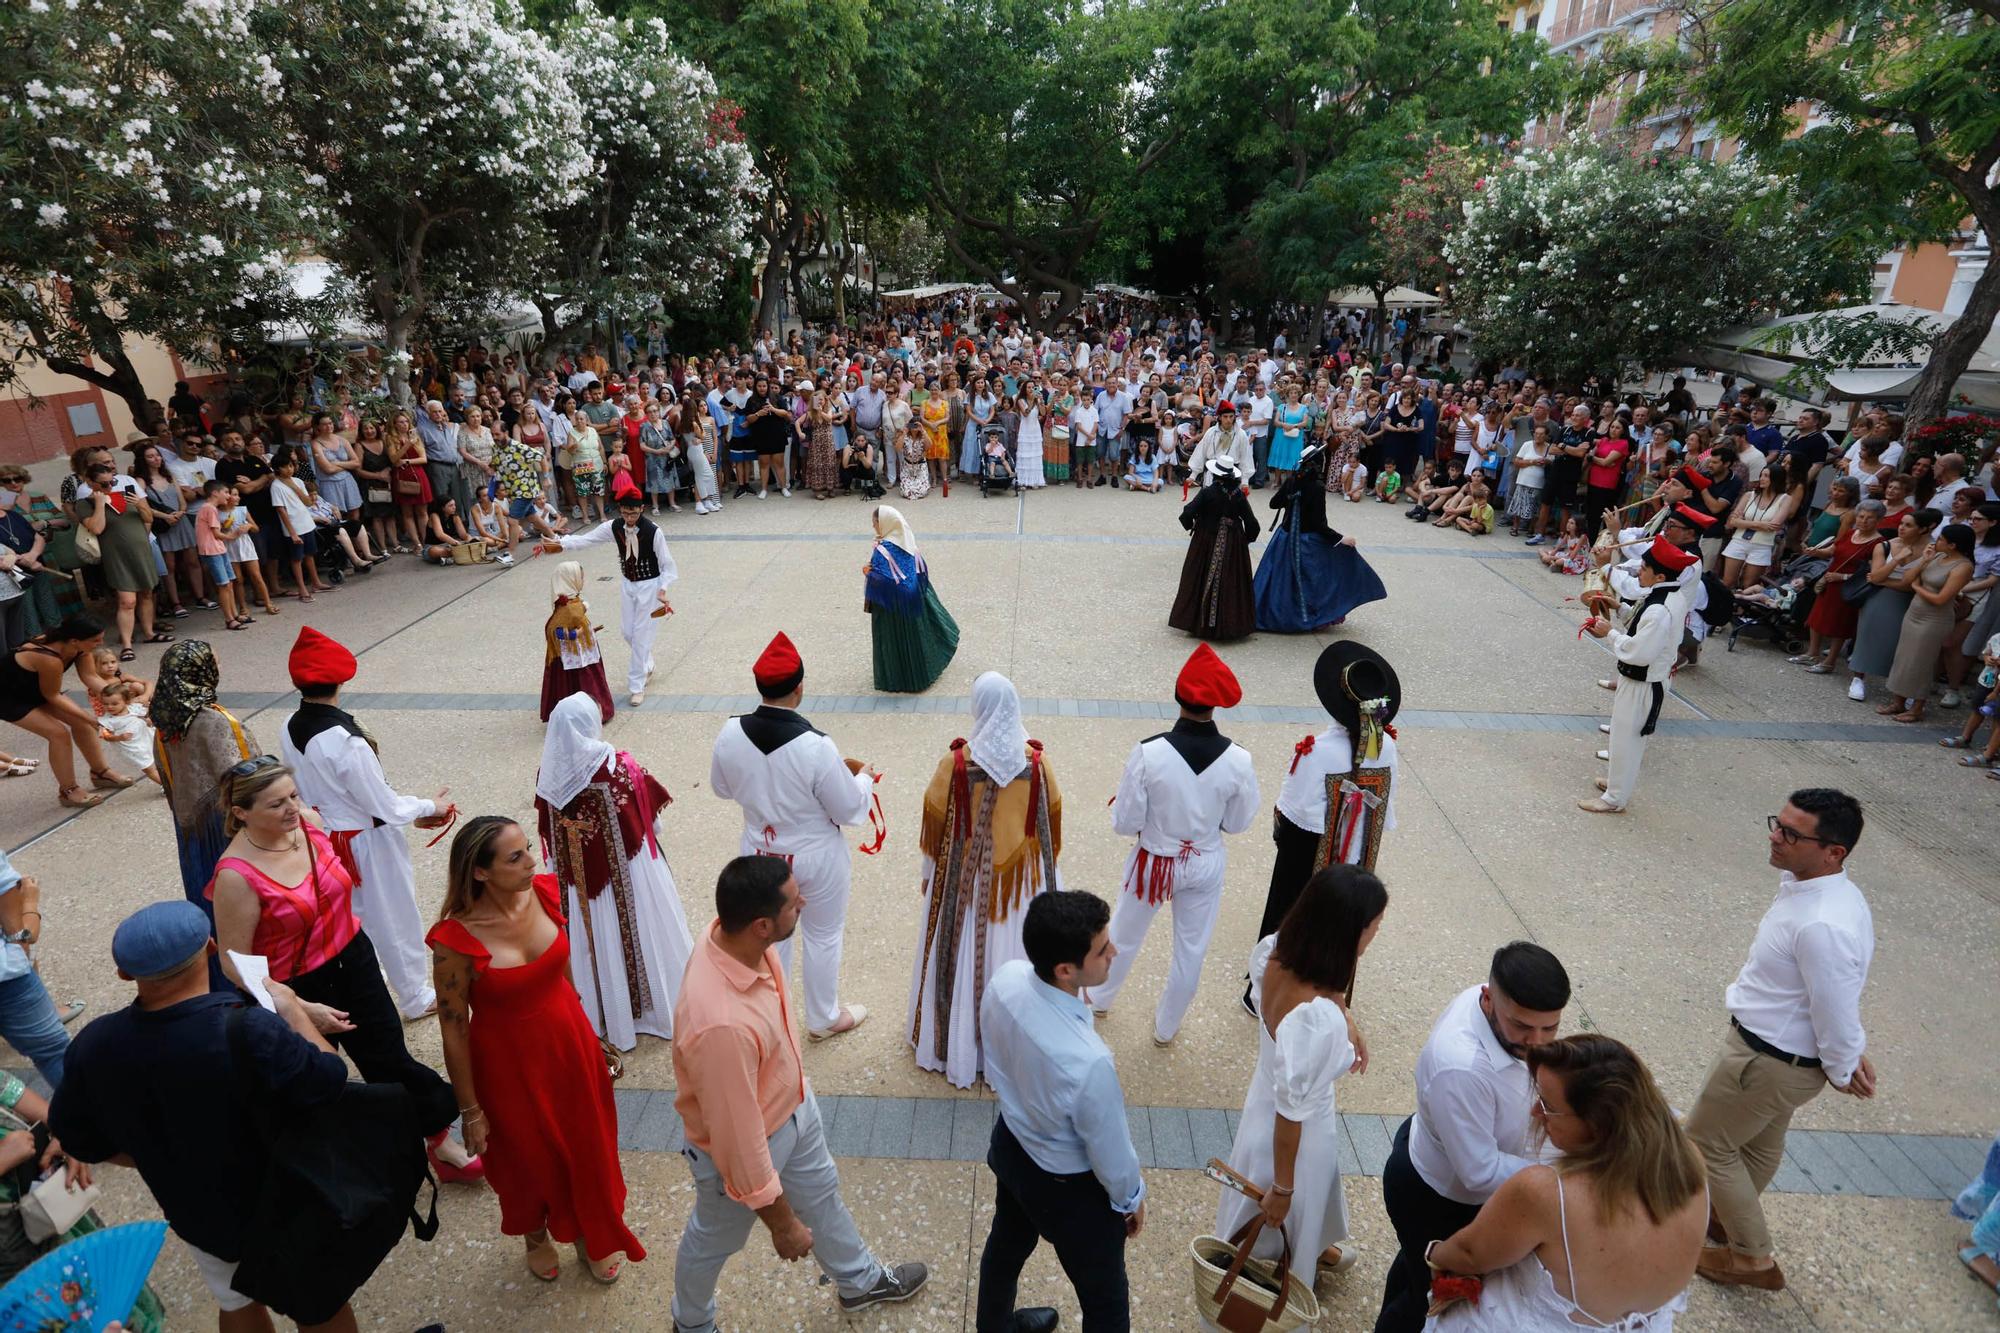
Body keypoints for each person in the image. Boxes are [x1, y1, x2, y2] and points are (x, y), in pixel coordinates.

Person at [50, 902, 364, 1333]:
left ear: (125, 975)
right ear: (211, 948)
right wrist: (292, 1010)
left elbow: (77, 1137)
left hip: (197, 1211)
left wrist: (153, 1153)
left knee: (234, 1300)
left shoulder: (93, 1044)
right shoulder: (246, 1028)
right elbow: (330, 1080)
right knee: (317, 1305)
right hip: (287, 1201)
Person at [671, 856, 929, 1332]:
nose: (804, 903)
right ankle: (690, 1323)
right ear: (763, 925)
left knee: (824, 1198)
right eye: (794, 903)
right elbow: (738, 1141)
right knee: (713, 1240)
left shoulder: (738, 943)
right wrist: (783, 1224)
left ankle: (859, 1282)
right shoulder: (720, 1025)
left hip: (791, 1110)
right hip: (748, 1149)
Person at [206, 756, 474, 1184]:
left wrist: (421, 811)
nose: (292, 808)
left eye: (293, 795)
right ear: (240, 813)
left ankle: (438, 1140)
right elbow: (234, 962)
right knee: (319, 1082)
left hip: (354, 957)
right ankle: (347, 1169)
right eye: (276, 805)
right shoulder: (236, 876)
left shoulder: (309, 823)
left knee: (388, 1056)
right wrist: (296, 1006)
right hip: (294, 985)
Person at [429, 817, 643, 1283]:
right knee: (529, 1160)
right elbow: (454, 1030)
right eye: (516, 857)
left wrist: (588, 1033)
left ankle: (592, 1233)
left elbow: (562, 973)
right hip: (508, 1068)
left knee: (587, 1150)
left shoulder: (544, 892)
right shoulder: (455, 942)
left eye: (528, 849)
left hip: (569, 1046)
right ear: (481, 873)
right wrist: (469, 1109)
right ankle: (535, 1234)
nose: (532, 861)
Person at [1687, 790, 1874, 1292]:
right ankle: (1727, 1220)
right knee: (1760, 1142)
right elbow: (1834, 995)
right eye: (1777, 823)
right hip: (1787, 1059)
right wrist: (1846, 1051)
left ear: (1835, 851)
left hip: (1766, 1060)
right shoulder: (1824, 891)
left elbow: (1833, 1001)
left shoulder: (1821, 924)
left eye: (1792, 833)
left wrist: (1843, 1063)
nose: (1775, 836)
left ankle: (1750, 1257)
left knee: (1706, 1146)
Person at [1422, 1034, 1706, 1329]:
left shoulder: (1547, 1193)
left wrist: (1435, 1253)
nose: (1535, 1112)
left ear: (1596, 1123)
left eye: (1546, 1105)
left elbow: (1470, 1254)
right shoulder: (1689, 1161)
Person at [1374, 942, 1572, 1333]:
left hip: (1437, 1161)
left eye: (1550, 1027)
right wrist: (1562, 1173)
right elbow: (1479, 1172)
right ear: (1487, 999)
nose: (1537, 1042)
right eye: (1522, 1026)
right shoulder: (1461, 1068)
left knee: (1414, 1270)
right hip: (1441, 1199)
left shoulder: (1494, 1005)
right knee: (1430, 1301)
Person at [974, 891, 1144, 1333]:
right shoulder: (1089, 1062)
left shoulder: (1006, 979)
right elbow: (1110, 1151)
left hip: (1012, 1145)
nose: (1114, 953)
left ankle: (994, 1327)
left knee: (1006, 1247)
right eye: (1102, 950)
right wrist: (1131, 1199)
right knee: (1105, 1302)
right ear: (1066, 970)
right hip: (1068, 1190)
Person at [1218, 865, 1385, 1287]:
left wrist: (1345, 1014)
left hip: (1262, 1101)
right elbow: (1291, 1116)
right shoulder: (1315, 1021)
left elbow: (1323, 990)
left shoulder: (1274, 951)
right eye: (1375, 926)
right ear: (1350, 932)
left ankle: (1312, 1250)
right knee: (1286, 1211)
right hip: (1297, 1133)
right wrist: (1284, 1188)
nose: (1376, 934)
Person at [1087, 645, 1260, 1045]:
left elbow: (1126, 821)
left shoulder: (1150, 752)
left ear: (1178, 697)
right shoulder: (1239, 760)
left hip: (1154, 861)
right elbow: (1237, 823)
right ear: (1216, 706)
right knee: (1191, 950)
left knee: (1125, 935)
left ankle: (1099, 997)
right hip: (1203, 860)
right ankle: (1166, 1027)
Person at [280, 626, 454, 1020]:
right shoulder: (345, 741)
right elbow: (383, 804)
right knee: (395, 915)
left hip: (326, 835)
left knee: (353, 918)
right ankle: (413, 995)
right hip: (366, 841)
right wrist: (431, 804)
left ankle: (370, 987)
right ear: (340, 679)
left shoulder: (290, 725)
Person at [709, 632, 876, 1040]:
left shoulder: (730, 733)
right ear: (799, 687)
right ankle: (822, 1017)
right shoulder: (817, 746)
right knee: (822, 934)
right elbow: (849, 809)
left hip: (759, 850)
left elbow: (721, 789)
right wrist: (866, 779)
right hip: (814, 853)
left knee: (767, 937)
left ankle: (772, 1015)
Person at [910, 672, 1062, 1089]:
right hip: (1020, 888)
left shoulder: (956, 764)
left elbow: (935, 829)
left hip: (964, 885)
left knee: (957, 961)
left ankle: (959, 1046)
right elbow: (1051, 824)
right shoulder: (1037, 763)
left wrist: (929, 878)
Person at [534, 695, 694, 1051]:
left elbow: (547, 834)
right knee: (642, 932)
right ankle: (648, 1010)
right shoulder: (620, 767)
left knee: (588, 942)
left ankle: (600, 1012)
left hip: (575, 885)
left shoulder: (547, 777)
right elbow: (652, 825)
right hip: (631, 877)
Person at [1252, 642, 1400, 986]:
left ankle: (1268, 985)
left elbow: (1294, 813)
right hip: (1357, 851)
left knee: (1290, 910)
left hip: (1312, 849)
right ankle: (1331, 977)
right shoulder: (1387, 747)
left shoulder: (1317, 751)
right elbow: (1386, 808)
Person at [152, 639, 261, 951]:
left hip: (191, 830)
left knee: (209, 904)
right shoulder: (216, 720)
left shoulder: (165, 722)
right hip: (226, 830)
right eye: (214, 660)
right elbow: (248, 779)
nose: (219, 666)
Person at [1579, 536, 1698, 815]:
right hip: (1643, 680)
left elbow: (1638, 651)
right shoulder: (1666, 593)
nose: (1638, 572)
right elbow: (1641, 624)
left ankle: (1615, 799)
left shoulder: (1660, 608)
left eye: (1643, 568)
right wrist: (1619, 607)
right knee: (1624, 737)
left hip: (1644, 681)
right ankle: (1617, 785)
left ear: (1659, 574)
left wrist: (1609, 632)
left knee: (1627, 740)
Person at [542, 472, 677, 706]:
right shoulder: (614, 527)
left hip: (650, 586)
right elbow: (587, 539)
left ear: (641, 509)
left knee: (642, 634)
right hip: (628, 584)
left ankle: (636, 685)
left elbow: (668, 566)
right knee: (627, 632)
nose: (629, 517)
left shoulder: (654, 531)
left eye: (633, 513)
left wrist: (663, 589)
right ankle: (646, 663)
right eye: (625, 513)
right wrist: (560, 543)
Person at [0, 615, 135, 809]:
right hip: (8, 698)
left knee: (80, 723)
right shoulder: (48, 657)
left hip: (35, 688)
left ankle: (100, 772)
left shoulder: (79, 646)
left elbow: (90, 677)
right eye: (96, 640)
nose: (101, 644)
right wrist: (93, 720)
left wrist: (120, 697)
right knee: (58, 733)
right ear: (75, 640)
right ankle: (68, 790)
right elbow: (53, 695)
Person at [1254, 442, 1388, 633]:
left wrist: (1291, 497)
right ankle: (1305, 616)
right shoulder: (1316, 487)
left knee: (1280, 579)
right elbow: (1318, 525)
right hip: (1306, 541)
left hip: (1284, 538)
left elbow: (1274, 504)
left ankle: (1278, 613)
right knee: (1314, 578)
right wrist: (1341, 538)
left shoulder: (1292, 480)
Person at [1879, 522, 1976, 723]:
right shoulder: (1938, 556)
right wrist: (1924, 560)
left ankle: (1917, 708)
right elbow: (1908, 578)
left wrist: (1917, 587)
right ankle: (1898, 701)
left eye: (1941, 539)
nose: (1936, 541)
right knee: (1903, 657)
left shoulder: (1964, 566)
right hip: (1914, 612)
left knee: (1921, 663)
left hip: (1935, 619)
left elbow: (1941, 599)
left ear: (1953, 545)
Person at [864, 506, 960, 692]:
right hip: (913, 601)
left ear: (885, 523)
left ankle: (898, 679)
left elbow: (884, 579)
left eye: (875, 522)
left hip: (892, 607)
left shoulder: (884, 549)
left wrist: (868, 572)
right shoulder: (908, 542)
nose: (873, 525)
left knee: (896, 642)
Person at [1169, 457, 1262, 641]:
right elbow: (1253, 524)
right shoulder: (1238, 495)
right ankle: (1229, 624)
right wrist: (1244, 542)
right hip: (1232, 543)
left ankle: (1200, 622)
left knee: (1199, 576)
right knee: (1231, 582)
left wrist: (1194, 528)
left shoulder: (1208, 493)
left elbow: (1187, 513)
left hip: (1206, 540)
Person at [541, 560, 614, 725]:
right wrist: (577, 633)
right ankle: (586, 715)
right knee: (582, 681)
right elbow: (556, 630)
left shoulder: (572, 602)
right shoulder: (567, 607)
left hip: (583, 651)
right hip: (573, 656)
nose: (583, 580)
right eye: (580, 577)